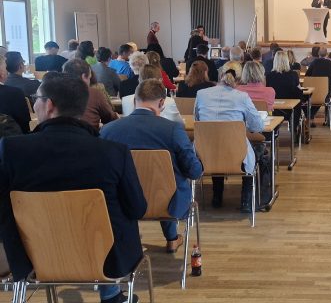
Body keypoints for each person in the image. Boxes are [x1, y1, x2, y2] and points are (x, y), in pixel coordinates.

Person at [0, 73, 146, 303]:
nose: (34, 103)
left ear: (49, 105)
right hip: (107, 259)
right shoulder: (113, 152)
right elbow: (137, 208)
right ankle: (111, 296)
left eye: (36, 98)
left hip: (34, 257)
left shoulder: (11, 150)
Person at [101, 78, 202, 253]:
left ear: (134, 100)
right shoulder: (172, 130)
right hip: (169, 203)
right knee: (166, 180)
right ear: (162, 102)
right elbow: (193, 171)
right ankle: (171, 239)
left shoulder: (108, 131)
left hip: (122, 202)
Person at [195, 66, 265, 211]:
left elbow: (197, 120)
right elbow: (257, 126)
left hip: (205, 155)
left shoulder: (201, 94)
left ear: (219, 75)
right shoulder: (242, 97)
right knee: (254, 150)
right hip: (236, 155)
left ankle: (217, 196)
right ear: (239, 79)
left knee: (215, 144)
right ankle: (246, 201)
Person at [63, 58, 119, 130]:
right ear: (83, 77)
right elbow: (110, 119)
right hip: (87, 136)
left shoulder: (54, 92)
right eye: (89, 77)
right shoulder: (95, 93)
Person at [266, 52, 304, 133]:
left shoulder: (269, 76)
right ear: (287, 61)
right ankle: (294, 131)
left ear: (275, 61)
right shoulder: (293, 74)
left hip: (274, 108)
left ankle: (274, 132)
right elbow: (298, 90)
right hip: (291, 108)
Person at [0, 55, 31, 133]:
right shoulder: (14, 93)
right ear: (1, 72)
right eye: (5, 68)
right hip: (9, 141)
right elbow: (24, 125)